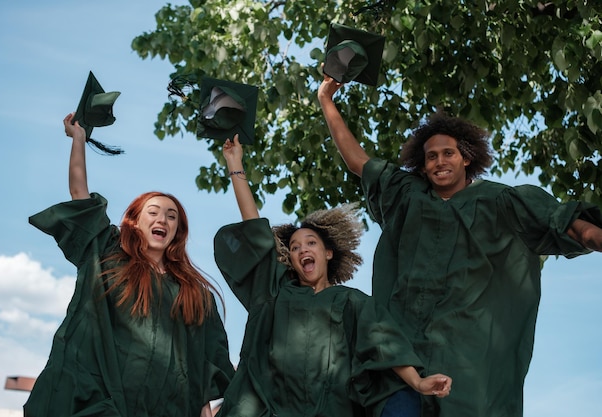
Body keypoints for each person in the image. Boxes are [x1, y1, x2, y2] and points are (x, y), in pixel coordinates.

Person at [317, 75, 602, 417]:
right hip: (402, 358)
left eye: (448, 153)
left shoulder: (501, 202)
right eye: (431, 157)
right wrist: (326, 101)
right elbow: (357, 161)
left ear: (466, 158)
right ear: (422, 166)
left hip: (469, 364)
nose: (440, 162)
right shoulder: (407, 196)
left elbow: (570, 225)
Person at [213, 135, 452, 417]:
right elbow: (255, 229)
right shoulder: (276, 292)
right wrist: (235, 164)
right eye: (294, 247)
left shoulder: (351, 302)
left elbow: (385, 346)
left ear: (328, 253)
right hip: (274, 409)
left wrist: (418, 382)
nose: (302, 250)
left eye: (311, 243)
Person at [24, 112, 235, 417]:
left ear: (178, 230)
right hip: (106, 403)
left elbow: (202, 365)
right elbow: (80, 196)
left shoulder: (194, 293)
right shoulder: (109, 256)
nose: (162, 218)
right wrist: (79, 140)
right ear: (134, 222)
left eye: (171, 215)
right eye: (153, 212)